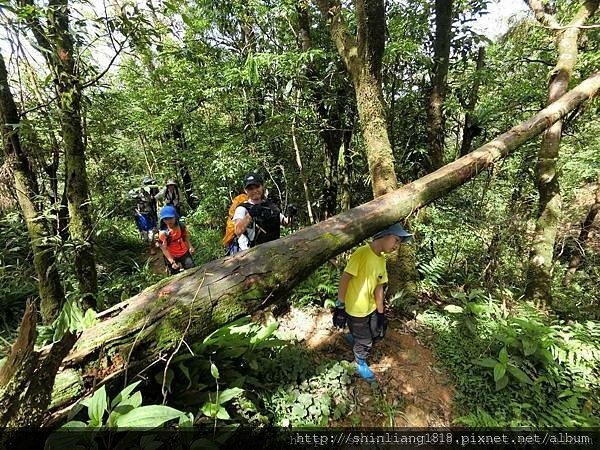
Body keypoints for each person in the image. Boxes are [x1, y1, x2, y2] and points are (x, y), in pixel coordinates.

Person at [333, 223, 413, 382]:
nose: (397, 246)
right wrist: (340, 305)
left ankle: (354, 337)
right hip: (355, 309)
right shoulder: (362, 252)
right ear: (384, 234)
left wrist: (381, 313)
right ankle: (359, 362)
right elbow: (345, 278)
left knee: (376, 332)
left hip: (370, 307)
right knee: (366, 341)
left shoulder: (382, 260)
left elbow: (379, 288)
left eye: (399, 243)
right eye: (396, 240)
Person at [231, 172, 292, 253]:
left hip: (274, 250)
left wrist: (291, 214)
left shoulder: (269, 205)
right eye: (250, 189)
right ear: (246, 191)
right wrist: (250, 215)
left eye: (257, 186)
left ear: (262, 187)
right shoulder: (242, 208)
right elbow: (238, 231)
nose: (254, 191)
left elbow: (285, 223)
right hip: (250, 254)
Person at [157, 205, 196, 275]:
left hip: (183, 252)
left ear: (175, 217)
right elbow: (164, 249)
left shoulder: (181, 226)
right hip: (171, 255)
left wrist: (190, 246)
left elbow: (185, 236)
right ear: (163, 220)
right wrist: (172, 261)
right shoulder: (163, 233)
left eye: (170, 218)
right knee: (174, 275)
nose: (168, 221)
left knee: (192, 269)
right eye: (166, 219)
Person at [131, 176, 159, 254]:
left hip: (151, 213)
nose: (150, 185)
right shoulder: (139, 192)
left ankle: (152, 246)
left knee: (153, 229)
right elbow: (132, 200)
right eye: (148, 183)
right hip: (141, 215)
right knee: (145, 232)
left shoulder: (153, 190)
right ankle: (151, 245)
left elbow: (155, 199)